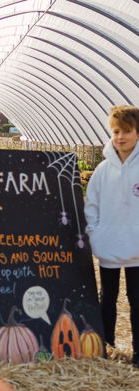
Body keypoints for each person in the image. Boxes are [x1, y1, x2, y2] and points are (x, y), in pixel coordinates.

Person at [84, 105, 139, 367]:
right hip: (109, 247)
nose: (120, 137)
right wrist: (96, 235)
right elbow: (91, 205)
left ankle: (137, 353)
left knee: (136, 299)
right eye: (116, 131)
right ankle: (106, 347)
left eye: (126, 131)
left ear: (137, 133)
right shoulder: (103, 171)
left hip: (137, 249)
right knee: (107, 297)